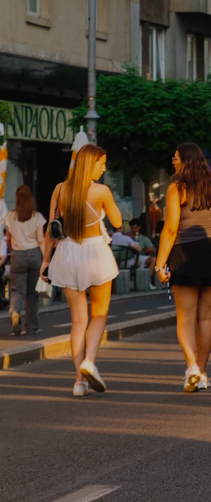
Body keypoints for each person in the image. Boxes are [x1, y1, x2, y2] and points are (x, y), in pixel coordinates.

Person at [152, 143, 211, 392]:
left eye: (176, 157)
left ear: (186, 161)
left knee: (186, 317)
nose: (173, 161)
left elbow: (170, 229)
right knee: (206, 317)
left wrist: (160, 264)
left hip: (184, 253)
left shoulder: (177, 188)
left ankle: (191, 366)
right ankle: (202, 372)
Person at [41, 144, 122, 397]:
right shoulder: (101, 191)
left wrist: (45, 261)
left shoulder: (60, 189)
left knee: (77, 321)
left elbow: (51, 229)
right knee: (99, 314)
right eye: (101, 163)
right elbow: (118, 222)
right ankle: (89, 361)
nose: (104, 167)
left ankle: (78, 382)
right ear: (90, 163)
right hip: (95, 252)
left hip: (66, 253)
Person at [6, 185, 45, 336]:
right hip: (34, 254)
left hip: (17, 255)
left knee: (16, 290)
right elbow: (41, 240)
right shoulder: (37, 217)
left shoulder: (10, 217)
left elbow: (8, 239)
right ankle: (32, 327)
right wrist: (46, 260)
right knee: (32, 294)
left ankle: (15, 312)